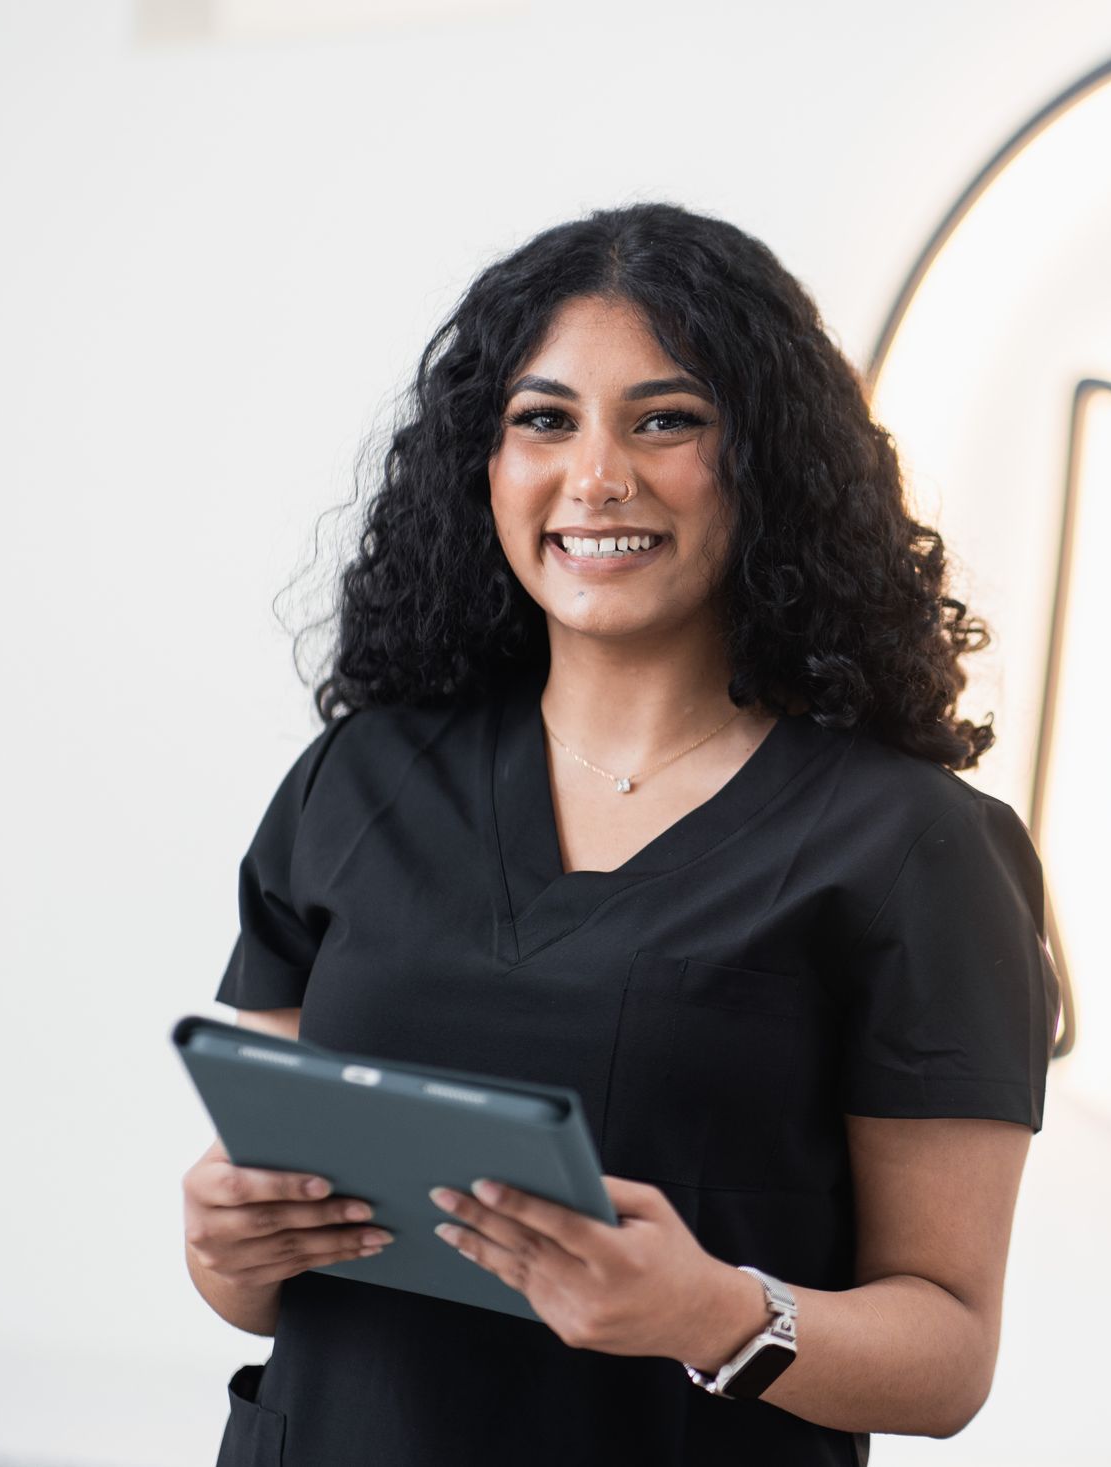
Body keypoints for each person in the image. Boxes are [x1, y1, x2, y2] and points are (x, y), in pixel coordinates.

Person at [179, 200, 1057, 1466]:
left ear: (767, 462)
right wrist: (223, 1251)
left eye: (667, 421)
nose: (597, 478)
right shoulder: (358, 783)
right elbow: (271, 1261)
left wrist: (713, 1314)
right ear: (481, 465)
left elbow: (947, 1357)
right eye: (544, 420)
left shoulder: (912, 848)